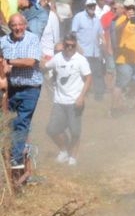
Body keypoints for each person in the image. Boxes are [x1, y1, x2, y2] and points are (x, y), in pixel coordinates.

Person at [1, 14, 43, 177]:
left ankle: (16, 161)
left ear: (25, 25)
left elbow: (30, 61)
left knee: (21, 122)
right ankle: (18, 153)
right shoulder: (3, 41)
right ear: (10, 27)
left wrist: (9, 62)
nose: (18, 28)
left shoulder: (32, 39)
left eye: (20, 25)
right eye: (14, 25)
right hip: (11, 88)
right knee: (8, 123)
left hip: (30, 88)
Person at [43, 33, 91, 166]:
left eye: (72, 46)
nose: (69, 48)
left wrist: (81, 97)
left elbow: (88, 78)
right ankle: (64, 150)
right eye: (67, 45)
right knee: (52, 130)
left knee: (75, 131)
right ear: (64, 45)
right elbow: (45, 66)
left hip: (75, 102)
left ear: (76, 45)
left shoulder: (81, 60)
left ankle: (73, 157)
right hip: (59, 101)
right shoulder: (57, 58)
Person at [71, 0, 105, 100]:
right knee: (82, 75)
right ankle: (81, 95)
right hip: (83, 52)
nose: (92, 7)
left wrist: (104, 43)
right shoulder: (79, 17)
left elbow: (100, 34)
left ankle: (99, 96)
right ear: (86, 7)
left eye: (94, 5)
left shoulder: (97, 19)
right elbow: (73, 34)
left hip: (95, 52)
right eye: (90, 6)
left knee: (97, 74)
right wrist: (77, 47)